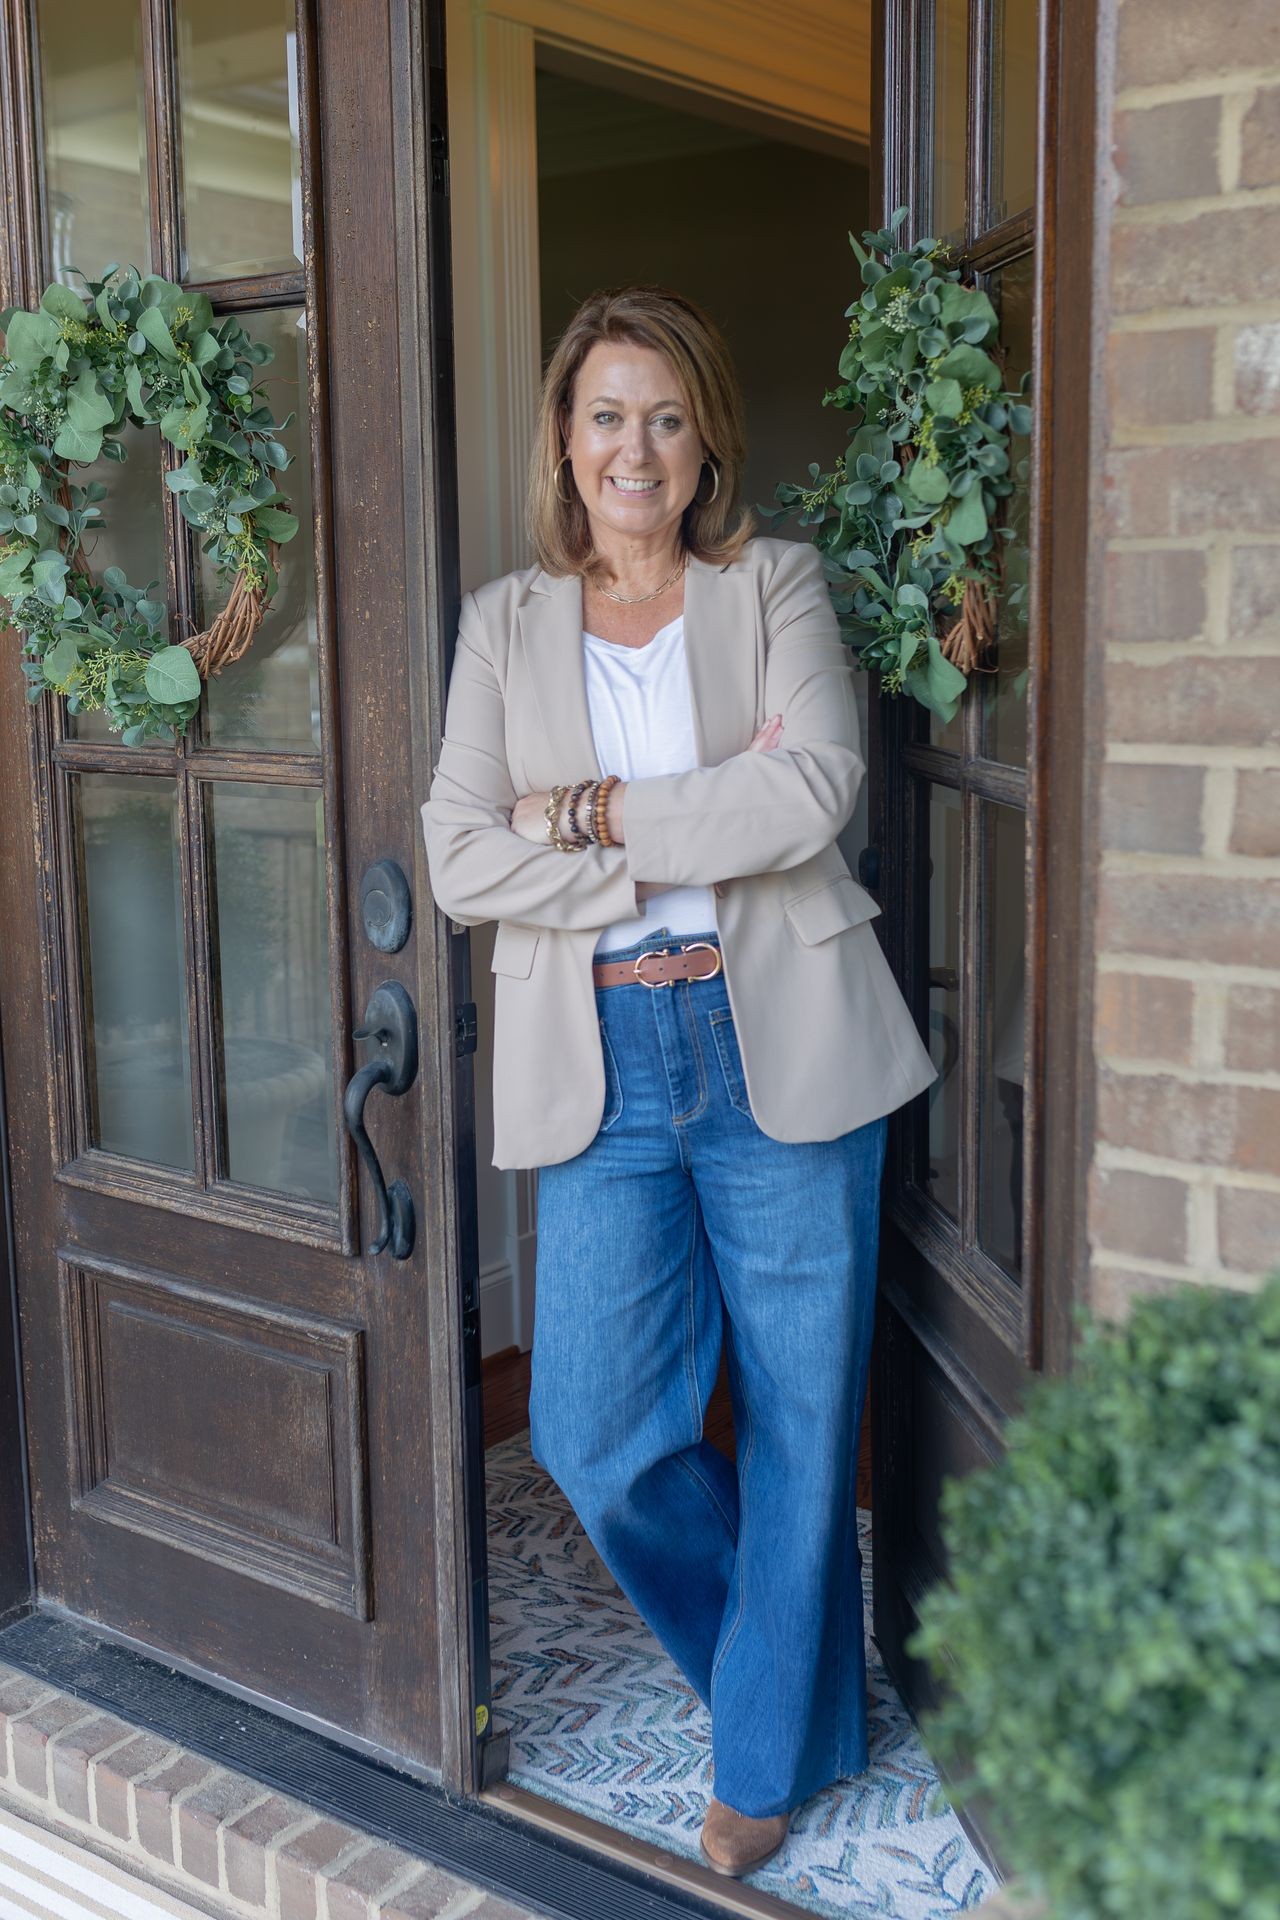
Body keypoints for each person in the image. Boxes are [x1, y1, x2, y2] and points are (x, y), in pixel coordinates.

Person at [421, 285, 935, 1879]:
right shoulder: (506, 623)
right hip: (606, 1056)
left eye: (661, 414)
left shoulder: (772, 582)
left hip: (780, 1032)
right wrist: (677, 825)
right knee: (594, 1425)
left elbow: (817, 794)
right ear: (565, 445)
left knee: (800, 1413)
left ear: (705, 436)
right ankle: (785, 1690)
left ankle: (762, 1754)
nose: (630, 447)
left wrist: (582, 820)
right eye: (601, 416)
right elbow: (455, 855)